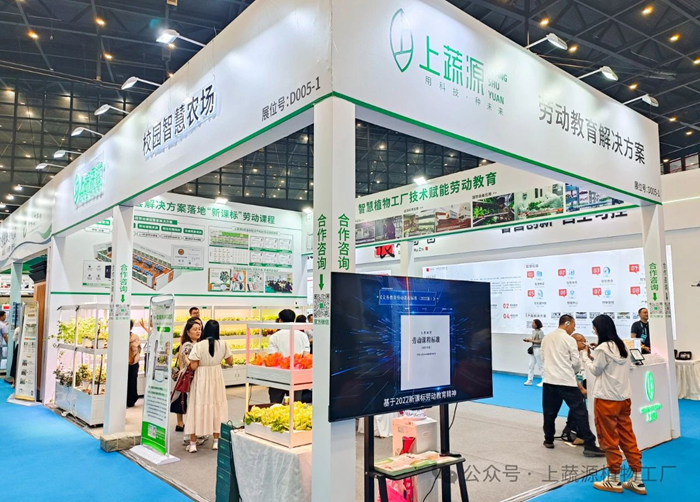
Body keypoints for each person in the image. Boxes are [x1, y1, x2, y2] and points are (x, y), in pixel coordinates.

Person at [582, 315, 645, 495]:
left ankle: (613, 479)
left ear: (599, 329)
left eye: (594, 327)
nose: (593, 330)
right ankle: (637, 479)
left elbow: (596, 370)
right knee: (627, 437)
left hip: (606, 400)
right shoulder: (623, 345)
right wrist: (596, 353)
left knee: (608, 439)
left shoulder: (602, 349)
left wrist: (586, 357)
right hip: (623, 399)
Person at [540, 314, 604, 457]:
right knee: (580, 412)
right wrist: (572, 371)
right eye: (574, 325)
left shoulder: (546, 338)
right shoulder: (569, 339)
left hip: (549, 381)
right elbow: (576, 362)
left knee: (549, 412)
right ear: (567, 323)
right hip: (566, 381)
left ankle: (548, 439)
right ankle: (589, 445)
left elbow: (543, 357)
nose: (574, 329)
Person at [185, 320, 233, 453]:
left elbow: (194, 366)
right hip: (217, 377)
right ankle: (216, 441)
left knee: (197, 407)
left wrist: (187, 360)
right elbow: (230, 361)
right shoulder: (223, 344)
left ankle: (193, 443)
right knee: (217, 407)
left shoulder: (199, 345)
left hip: (201, 378)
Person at [267, 309, 310, 403]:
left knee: (275, 403)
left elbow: (272, 357)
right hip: (296, 375)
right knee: (295, 404)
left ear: (280, 320)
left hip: (278, 376)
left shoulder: (274, 337)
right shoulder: (303, 336)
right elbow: (306, 357)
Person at [170, 317, 202, 437]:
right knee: (187, 401)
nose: (198, 331)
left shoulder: (197, 344)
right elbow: (188, 363)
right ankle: (189, 429)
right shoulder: (188, 345)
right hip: (189, 378)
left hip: (192, 377)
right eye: (195, 329)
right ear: (188, 332)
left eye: (199, 329)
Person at [562, 333, 589, 445]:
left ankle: (570, 429)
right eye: (581, 340)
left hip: (585, 382)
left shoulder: (584, 353)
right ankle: (576, 433)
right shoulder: (569, 356)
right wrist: (581, 388)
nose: (584, 342)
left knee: (578, 409)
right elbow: (571, 374)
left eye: (585, 340)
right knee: (578, 409)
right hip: (574, 384)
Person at [523, 319, 544, 386]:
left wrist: (531, 340)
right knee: (530, 365)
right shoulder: (533, 331)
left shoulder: (540, 332)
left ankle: (544, 380)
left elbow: (541, 341)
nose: (532, 324)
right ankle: (529, 380)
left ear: (537, 324)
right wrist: (528, 340)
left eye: (533, 323)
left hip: (538, 349)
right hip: (533, 349)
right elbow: (533, 340)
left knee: (541, 365)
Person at [127, 320, 141, 408]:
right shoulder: (135, 337)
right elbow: (139, 349)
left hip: (125, 362)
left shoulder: (119, 337)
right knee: (132, 381)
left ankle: (127, 399)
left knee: (127, 381)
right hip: (134, 362)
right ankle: (131, 400)